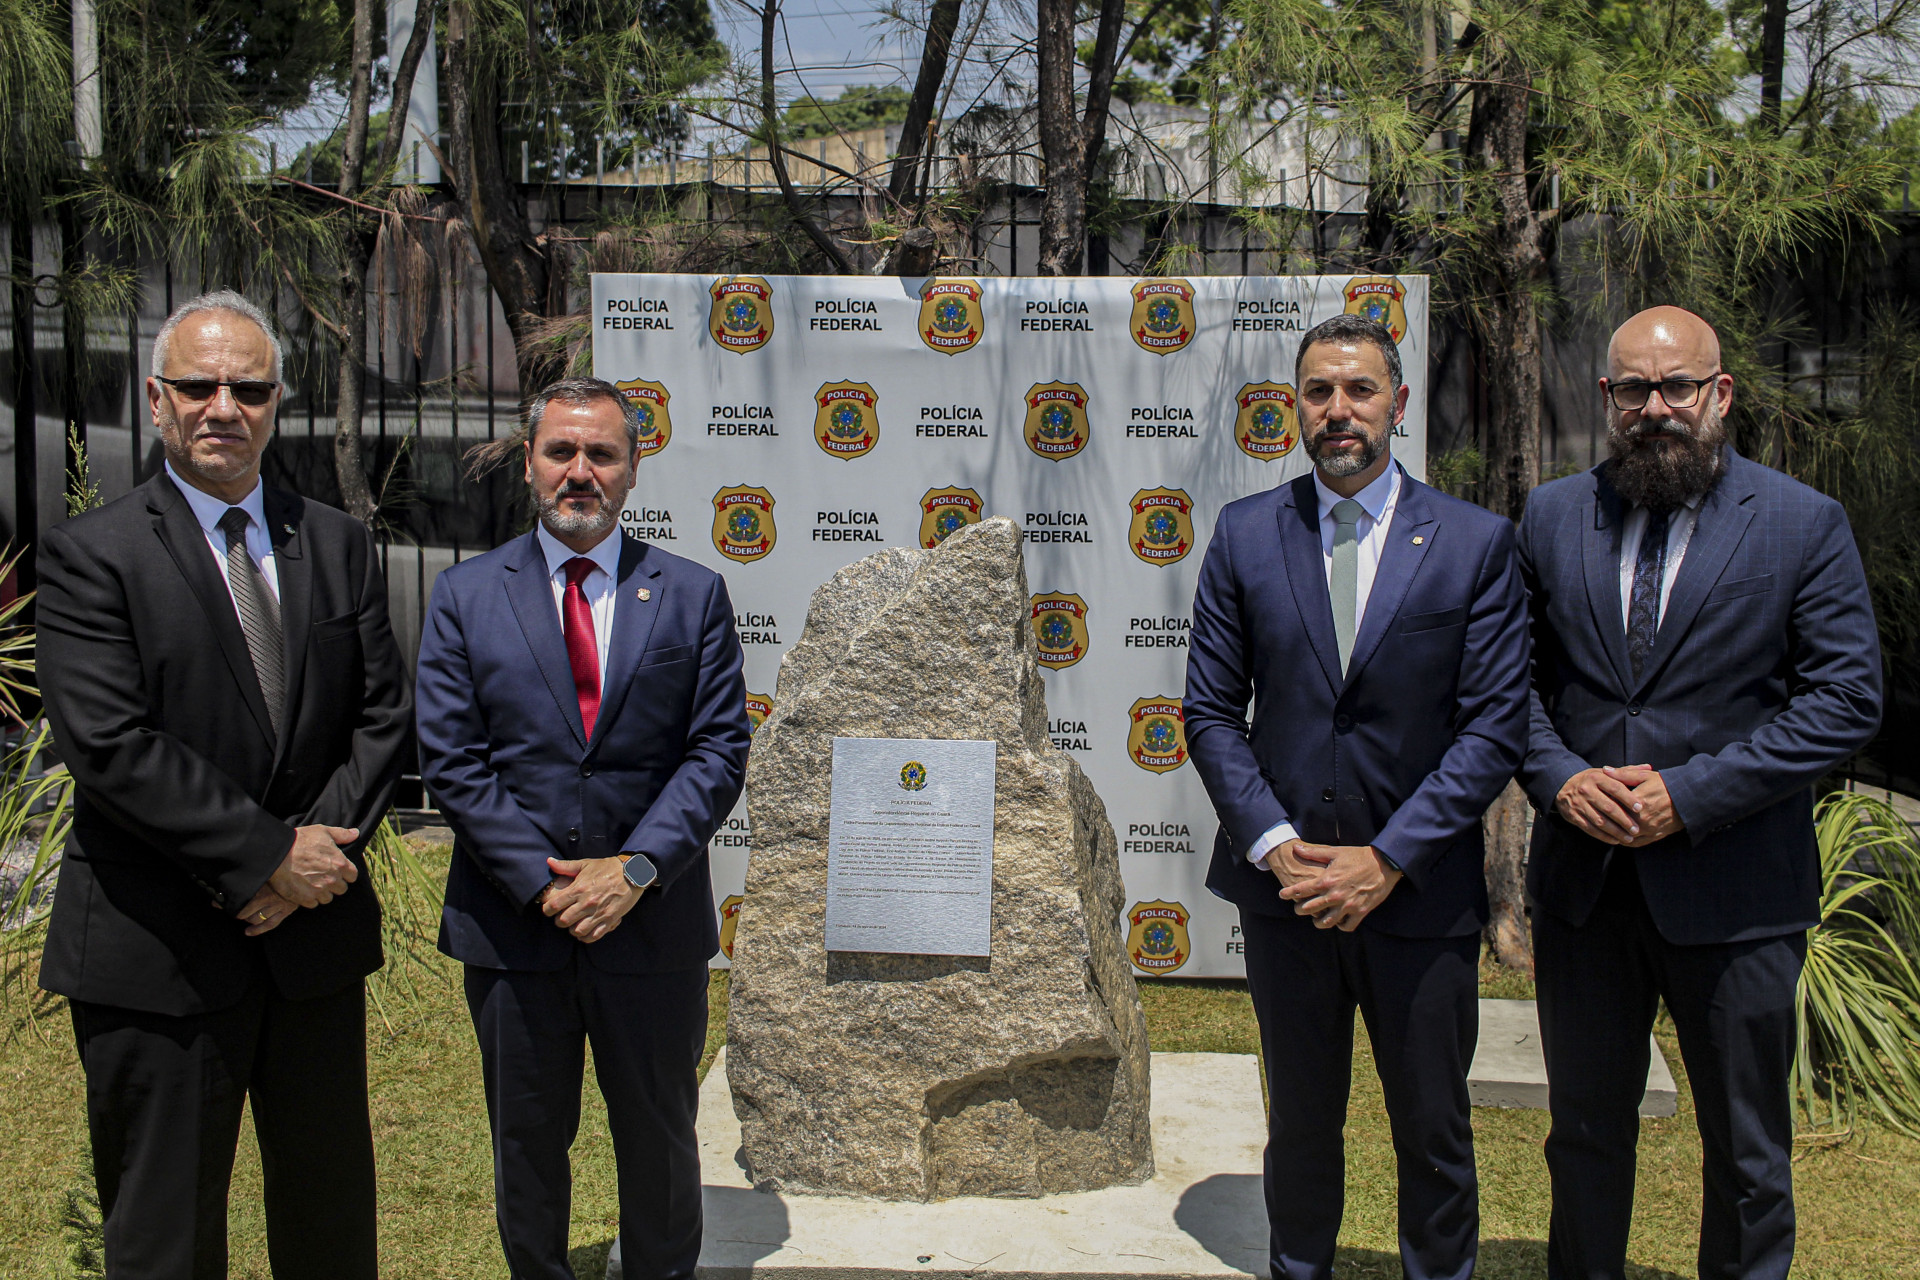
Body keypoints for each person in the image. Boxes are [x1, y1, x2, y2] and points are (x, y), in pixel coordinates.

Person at [35, 291, 412, 1279]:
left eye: (247, 388)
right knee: (163, 1234)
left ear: (276, 401)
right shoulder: (92, 554)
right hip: (157, 949)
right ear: (157, 401)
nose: (222, 407)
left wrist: (315, 858)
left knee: (331, 1221)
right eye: (198, 386)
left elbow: (379, 713)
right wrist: (264, 856)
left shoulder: (334, 542)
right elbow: (110, 744)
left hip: (312, 944)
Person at [1518, 305, 1881, 1280]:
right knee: (1585, 1139)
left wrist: (1690, 793)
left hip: (1738, 893)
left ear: (1719, 394)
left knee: (1749, 1155)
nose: (1656, 406)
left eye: (1677, 385)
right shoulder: (1552, 515)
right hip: (1587, 893)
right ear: (1608, 399)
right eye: (1633, 387)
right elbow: (1509, 688)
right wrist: (1561, 779)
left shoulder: (1805, 524)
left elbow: (1846, 700)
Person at [1184, 313, 1530, 1280]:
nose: (1340, 412)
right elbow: (1209, 712)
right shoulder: (1248, 533)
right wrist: (1276, 847)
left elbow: (1493, 727)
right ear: (1296, 407)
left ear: (1398, 403)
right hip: (1289, 898)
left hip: (1416, 899)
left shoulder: (1473, 542)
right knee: (1299, 1127)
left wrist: (1386, 858)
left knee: (1432, 1132)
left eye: (1360, 390)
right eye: (1319, 392)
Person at [415, 376, 751, 1280]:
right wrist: (550, 882)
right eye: (561, 451)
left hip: (651, 929)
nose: (580, 472)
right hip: (515, 930)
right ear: (528, 464)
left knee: (661, 1151)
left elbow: (717, 752)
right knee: (526, 1150)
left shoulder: (690, 594)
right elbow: (453, 761)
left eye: (602, 453)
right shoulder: (464, 595)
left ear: (634, 468)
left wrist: (634, 869)